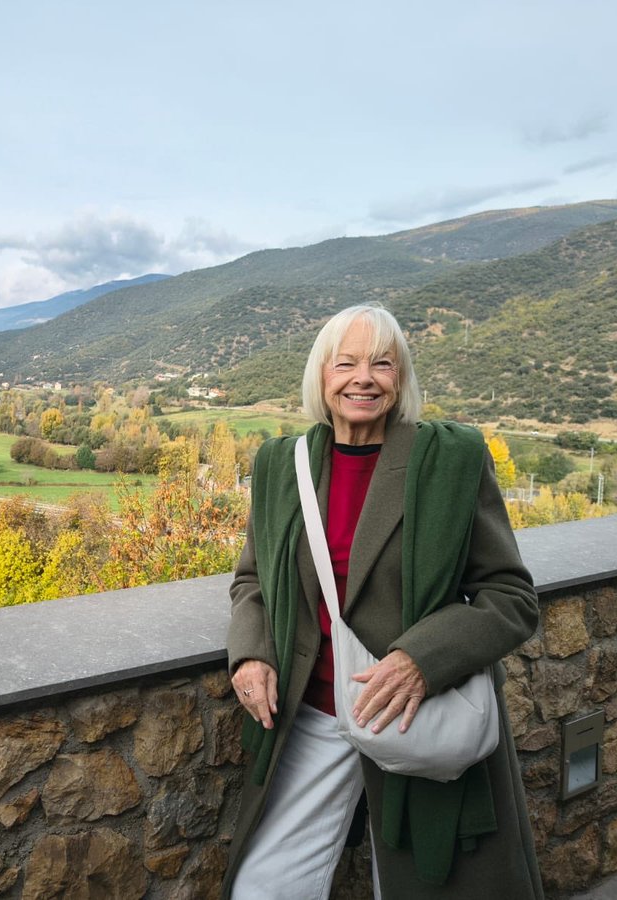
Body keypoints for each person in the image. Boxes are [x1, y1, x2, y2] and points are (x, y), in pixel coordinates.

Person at [222, 305, 543, 899]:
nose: (362, 377)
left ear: (400, 379)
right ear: (322, 376)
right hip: (312, 713)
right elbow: (253, 583)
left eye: (381, 364)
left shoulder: (451, 461)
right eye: (345, 363)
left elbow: (511, 597)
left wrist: (422, 658)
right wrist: (250, 655)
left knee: (422, 885)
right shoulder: (280, 467)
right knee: (264, 888)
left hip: (412, 710)